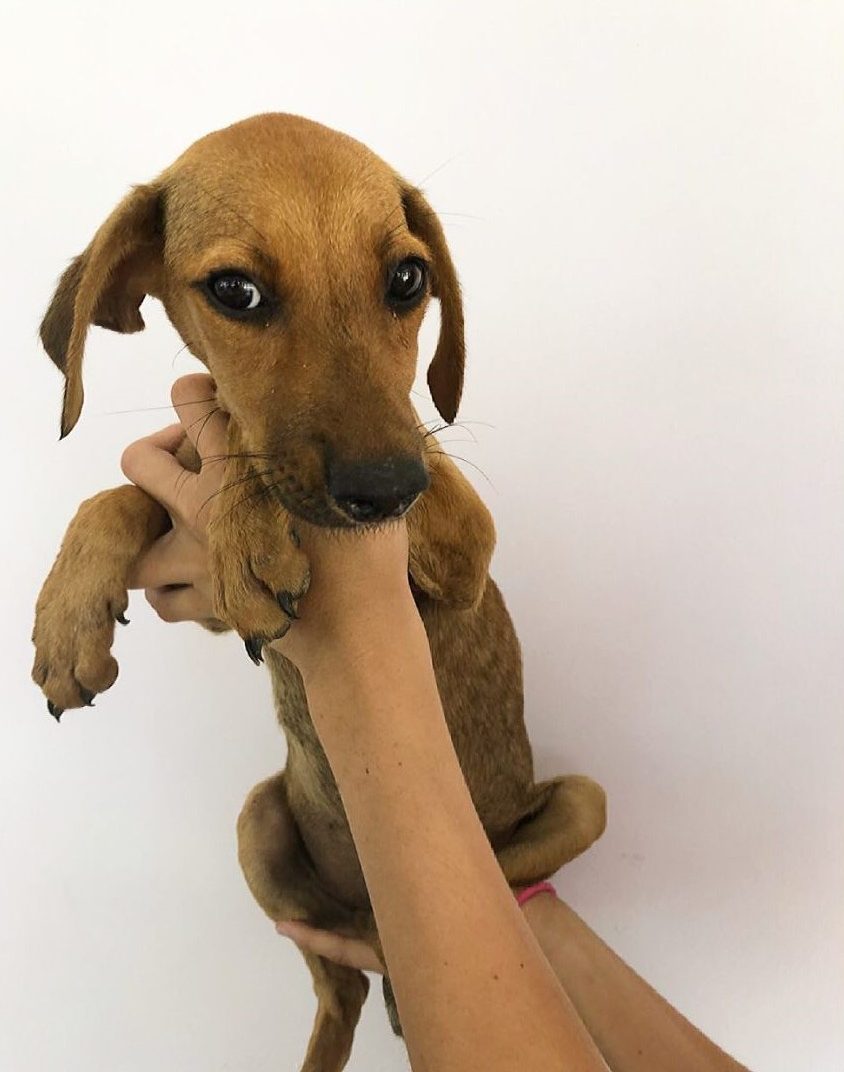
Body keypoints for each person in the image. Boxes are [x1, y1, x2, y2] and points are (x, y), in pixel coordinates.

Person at [120, 374, 750, 1072]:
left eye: (402, 286)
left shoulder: (388, 456)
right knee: (261, 833)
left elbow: (465, 558)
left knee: (580, 809)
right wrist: (509, 912)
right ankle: (339, 1004)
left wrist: (346, 636)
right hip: (358, 847)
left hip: (489, 828)